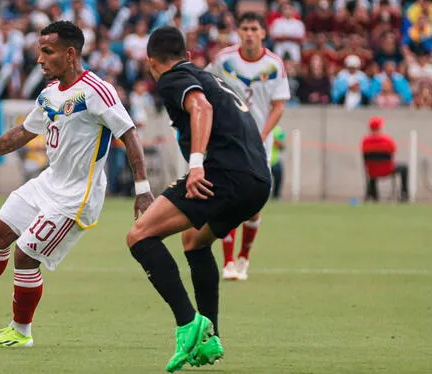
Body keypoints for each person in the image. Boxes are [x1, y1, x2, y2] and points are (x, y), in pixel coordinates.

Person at [0, 21, 153, 348]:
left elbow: (129, 135)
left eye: (47, 52)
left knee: (25, 254)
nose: (40, 59)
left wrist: (143, 190)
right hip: (48, 183)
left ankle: (21, 331)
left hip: (76, 196)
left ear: (70, 53)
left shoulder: (97, 91)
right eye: (39, 51)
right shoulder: (49, 94)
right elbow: (24, 132)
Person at [126, 26, 271, 372]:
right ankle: (211, 336)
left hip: (225, 176)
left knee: (139, 236)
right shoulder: (209, 76)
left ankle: (188, 324)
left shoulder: (173, 78)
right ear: (189, 56)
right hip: (258, 181)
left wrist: (196, 165)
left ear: (151, 63)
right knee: (194, 241)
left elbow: (201, 108)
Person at [206, 12, 290, 281]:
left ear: (263, 33)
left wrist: (263, 134)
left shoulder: (274, 65)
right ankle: (229, 262)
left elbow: (278, 106)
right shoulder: (224, 60)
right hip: (228, 141)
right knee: (228, 200)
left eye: (254, 28)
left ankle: (244, 258)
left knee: (253, 205)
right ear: (238, 32)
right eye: (245, 28)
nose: (249, 33)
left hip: (259, 144)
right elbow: (205, 87)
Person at [361, 116, 408, 202]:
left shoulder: (365, 141)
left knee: (372, 170)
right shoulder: (387, 140)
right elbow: (393, 151)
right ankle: (404, 194)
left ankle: (373, 195)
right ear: (379, 127)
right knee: (404, 168)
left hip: (372, 171)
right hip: (387, 169)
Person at [270, 126, 286, 200]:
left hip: (274, 160)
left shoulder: (278, 129)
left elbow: (282, 146)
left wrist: (275, 142)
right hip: (262, 159)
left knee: (278, 176)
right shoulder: (259, 125)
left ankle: (276, 196)